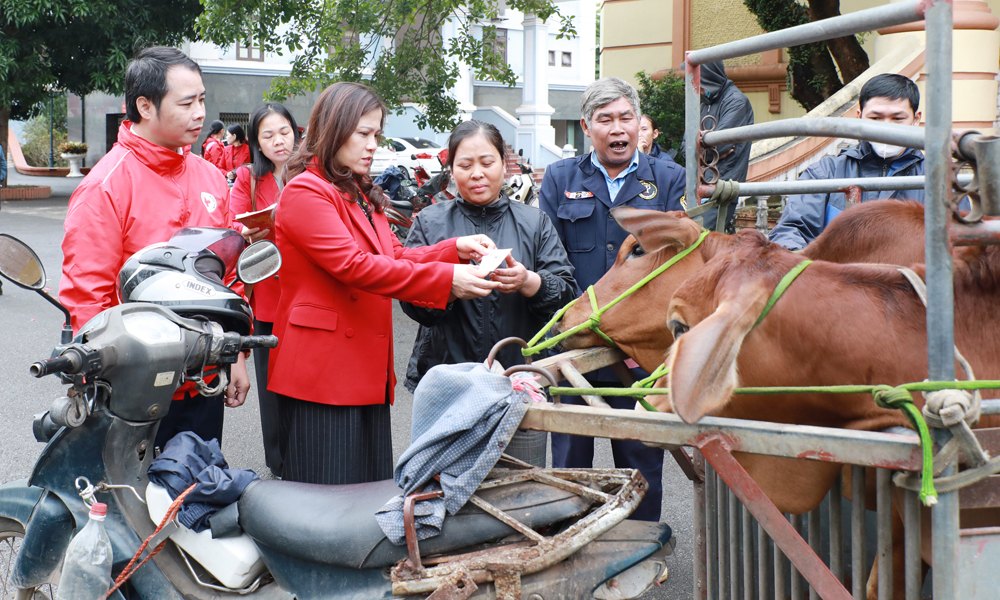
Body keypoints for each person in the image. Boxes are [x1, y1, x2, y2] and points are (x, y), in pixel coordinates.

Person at [268, 82, 502, 486]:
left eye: (376, 134)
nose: (372, 144)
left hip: (362, 368)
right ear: (332, 128)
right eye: (363, 133)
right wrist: (447, 279)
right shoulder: (306, 191)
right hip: (322, 372)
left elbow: (393, 257)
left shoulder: (358, 192)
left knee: (363, 497)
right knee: (325, 503)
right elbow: (355, 266)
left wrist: (454, 250)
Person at [60, 46, 250, 450]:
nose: (200, 112)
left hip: (204, 380)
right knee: (131, 505)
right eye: (187, 102)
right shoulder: (106, 185)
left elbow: (227, 275)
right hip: (133, 391)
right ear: (145, 106)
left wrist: (237, 356)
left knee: (197, 495)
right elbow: (88, 296)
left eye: (201, 99)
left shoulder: (212, 178)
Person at [539, 76, 686, 522]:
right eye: (606, 119)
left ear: (639, 123)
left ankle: (642, 546)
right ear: (587, 125)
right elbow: (549, 259)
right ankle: (568, 545)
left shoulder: (667, 178)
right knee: (569, 462)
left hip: (640, 350)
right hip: (575, 346)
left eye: (626, 117)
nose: (617, 128)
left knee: (640, 457)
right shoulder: (560, 177)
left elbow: (681, 263)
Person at [400, 121, 579, 466]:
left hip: (519, 379)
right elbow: (410, 299)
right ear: (451, 170)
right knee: (445, 487)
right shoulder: (429, 223)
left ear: (504, 164)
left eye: (487, 162)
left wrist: (530, 282)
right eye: (465, 165)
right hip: (447, 377)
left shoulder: (535, 222)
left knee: (518, 486)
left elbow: (567, 293)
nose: (477, 174)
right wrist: (449, 289)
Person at [770, 74, 924, 251]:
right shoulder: (825, 173)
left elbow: (957, 244)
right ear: (859, 118)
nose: (886, 128)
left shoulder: (937, 179)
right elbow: (790, 231)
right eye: (875, 118)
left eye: (897, 119)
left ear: (916, 119)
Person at [227, 102, 300, 478]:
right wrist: (247, 231)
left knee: (305, 382)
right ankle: (280, 463)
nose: (278, 141)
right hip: (267, 299)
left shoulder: (311, 172)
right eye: (268, 135)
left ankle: (306, 454)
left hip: (306, 296)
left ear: (295, 131)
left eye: (284, 131)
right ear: (256, 141)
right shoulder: (248, 179)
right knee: (272, 390)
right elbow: (233, 226)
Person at [680, 61, 754, 233]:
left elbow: (718, 147)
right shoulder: (703, 103)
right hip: (698, 186)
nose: (692, 85)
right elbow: (686, 150)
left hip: (722, 188)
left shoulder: (737, 102)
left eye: (696, 79)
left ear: (709, 77)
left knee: (701, 239)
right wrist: (705, 150)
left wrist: (702, 147)